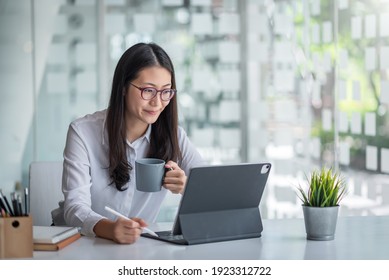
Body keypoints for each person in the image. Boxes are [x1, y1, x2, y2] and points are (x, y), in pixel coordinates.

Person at [51, 42, 203, 244]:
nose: (157, 102)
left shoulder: (174, 136)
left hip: (133, 246)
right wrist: (110, 229)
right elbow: (75, 207)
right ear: (123, 87)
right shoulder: (83, 132)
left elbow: (210, 188)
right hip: (73, 242)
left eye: (166, 91)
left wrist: (188, 187)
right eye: (148, 90)